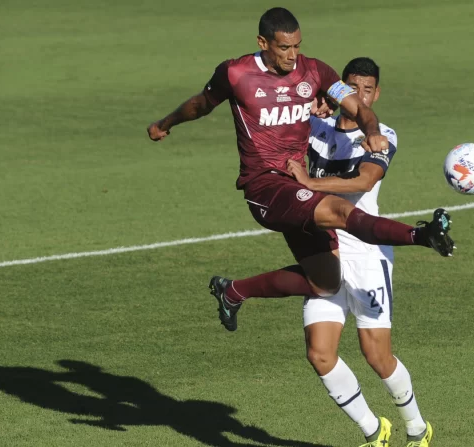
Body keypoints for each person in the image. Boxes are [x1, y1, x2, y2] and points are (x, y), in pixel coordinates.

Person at [148, 8, 453, 340]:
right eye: (283, 48)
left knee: (325, 282)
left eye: (297, 46)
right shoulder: (236, 74)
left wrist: (373, 131)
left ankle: (233, 291)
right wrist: (165, 124)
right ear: (262, 42)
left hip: (295, 186)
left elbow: (357, 107)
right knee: (340, 209)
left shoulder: (315, 71)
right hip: (263, 186)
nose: (293, 56)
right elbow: (201, 104)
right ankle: (423, 236)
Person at [286, 57, 433, 447]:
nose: (359, 96)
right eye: (352, 88)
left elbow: (364, 180)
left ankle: (417, 428)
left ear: (376, 93)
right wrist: (308, 111)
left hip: (366, 254)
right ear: (340, 90)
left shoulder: (383, 135)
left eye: (367, 90)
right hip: (324, 251)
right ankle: (374, 431)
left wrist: (310, 183)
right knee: (319, 354)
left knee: (377, 356)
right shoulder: (314, 127)